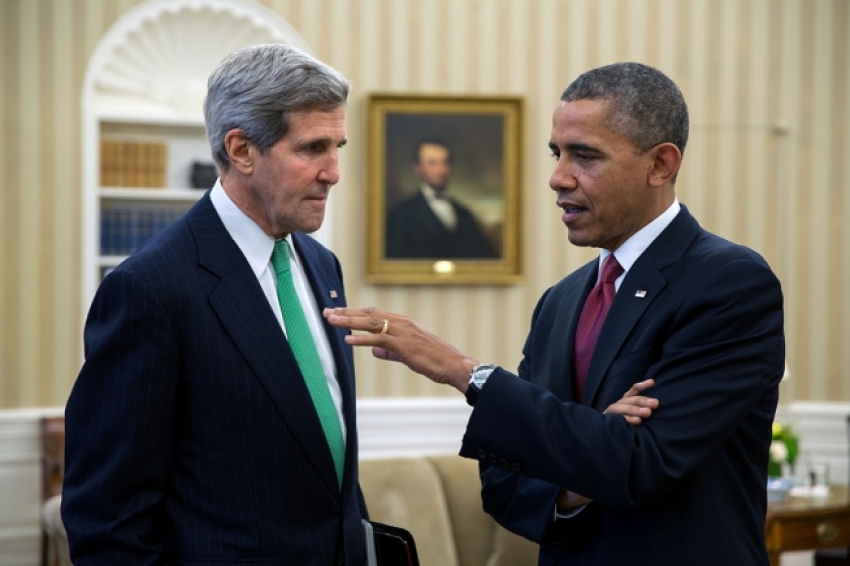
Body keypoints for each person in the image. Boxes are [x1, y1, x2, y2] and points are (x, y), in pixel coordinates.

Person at [326, 62, 785, 565]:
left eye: (584, 156)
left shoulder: (729, 283)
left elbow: (639, 466)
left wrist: (465, 372)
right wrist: (581, 476)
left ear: (661, 164)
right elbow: (503, 484)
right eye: (557, 153)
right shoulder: (562, 301)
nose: (557, 177)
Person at [62, 44, 368, 565]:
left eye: (337, 146)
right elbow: (107, 519)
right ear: (242, 150)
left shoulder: (321, 265)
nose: (334, 172)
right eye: (313, 148)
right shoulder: (149, 289)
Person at [385, 138, 497, 259]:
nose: (440, 170)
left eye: (445, 162)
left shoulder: (464, 214)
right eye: (432, 163)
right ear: (417, 168)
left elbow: (484, 259)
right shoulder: (401, 216)